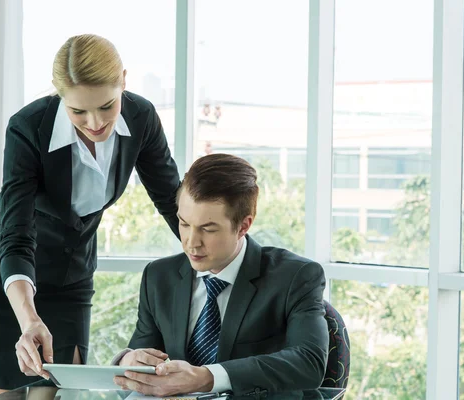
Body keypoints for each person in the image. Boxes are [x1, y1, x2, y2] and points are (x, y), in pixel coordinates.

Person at [0, 34, 181, 399]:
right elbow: (15, 234)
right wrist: (29, 318)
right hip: (6, 283)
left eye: (107, 106)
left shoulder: (141, 118)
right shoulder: (28, 127)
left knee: (61, 394)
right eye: (78, 111)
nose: (94, 123)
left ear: (123, 81)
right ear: (60, 96)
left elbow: (171, 200)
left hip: (69, 279)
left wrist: (222, 256)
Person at [112, 154, 329, 397]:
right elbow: (141, 364)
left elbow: (309, 363)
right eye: (184, 224)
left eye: (208, 229)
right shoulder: (159, 276)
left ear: (243, 226)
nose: (191, 243)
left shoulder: (295, 276)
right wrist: (127, 360)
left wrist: (208, 377)